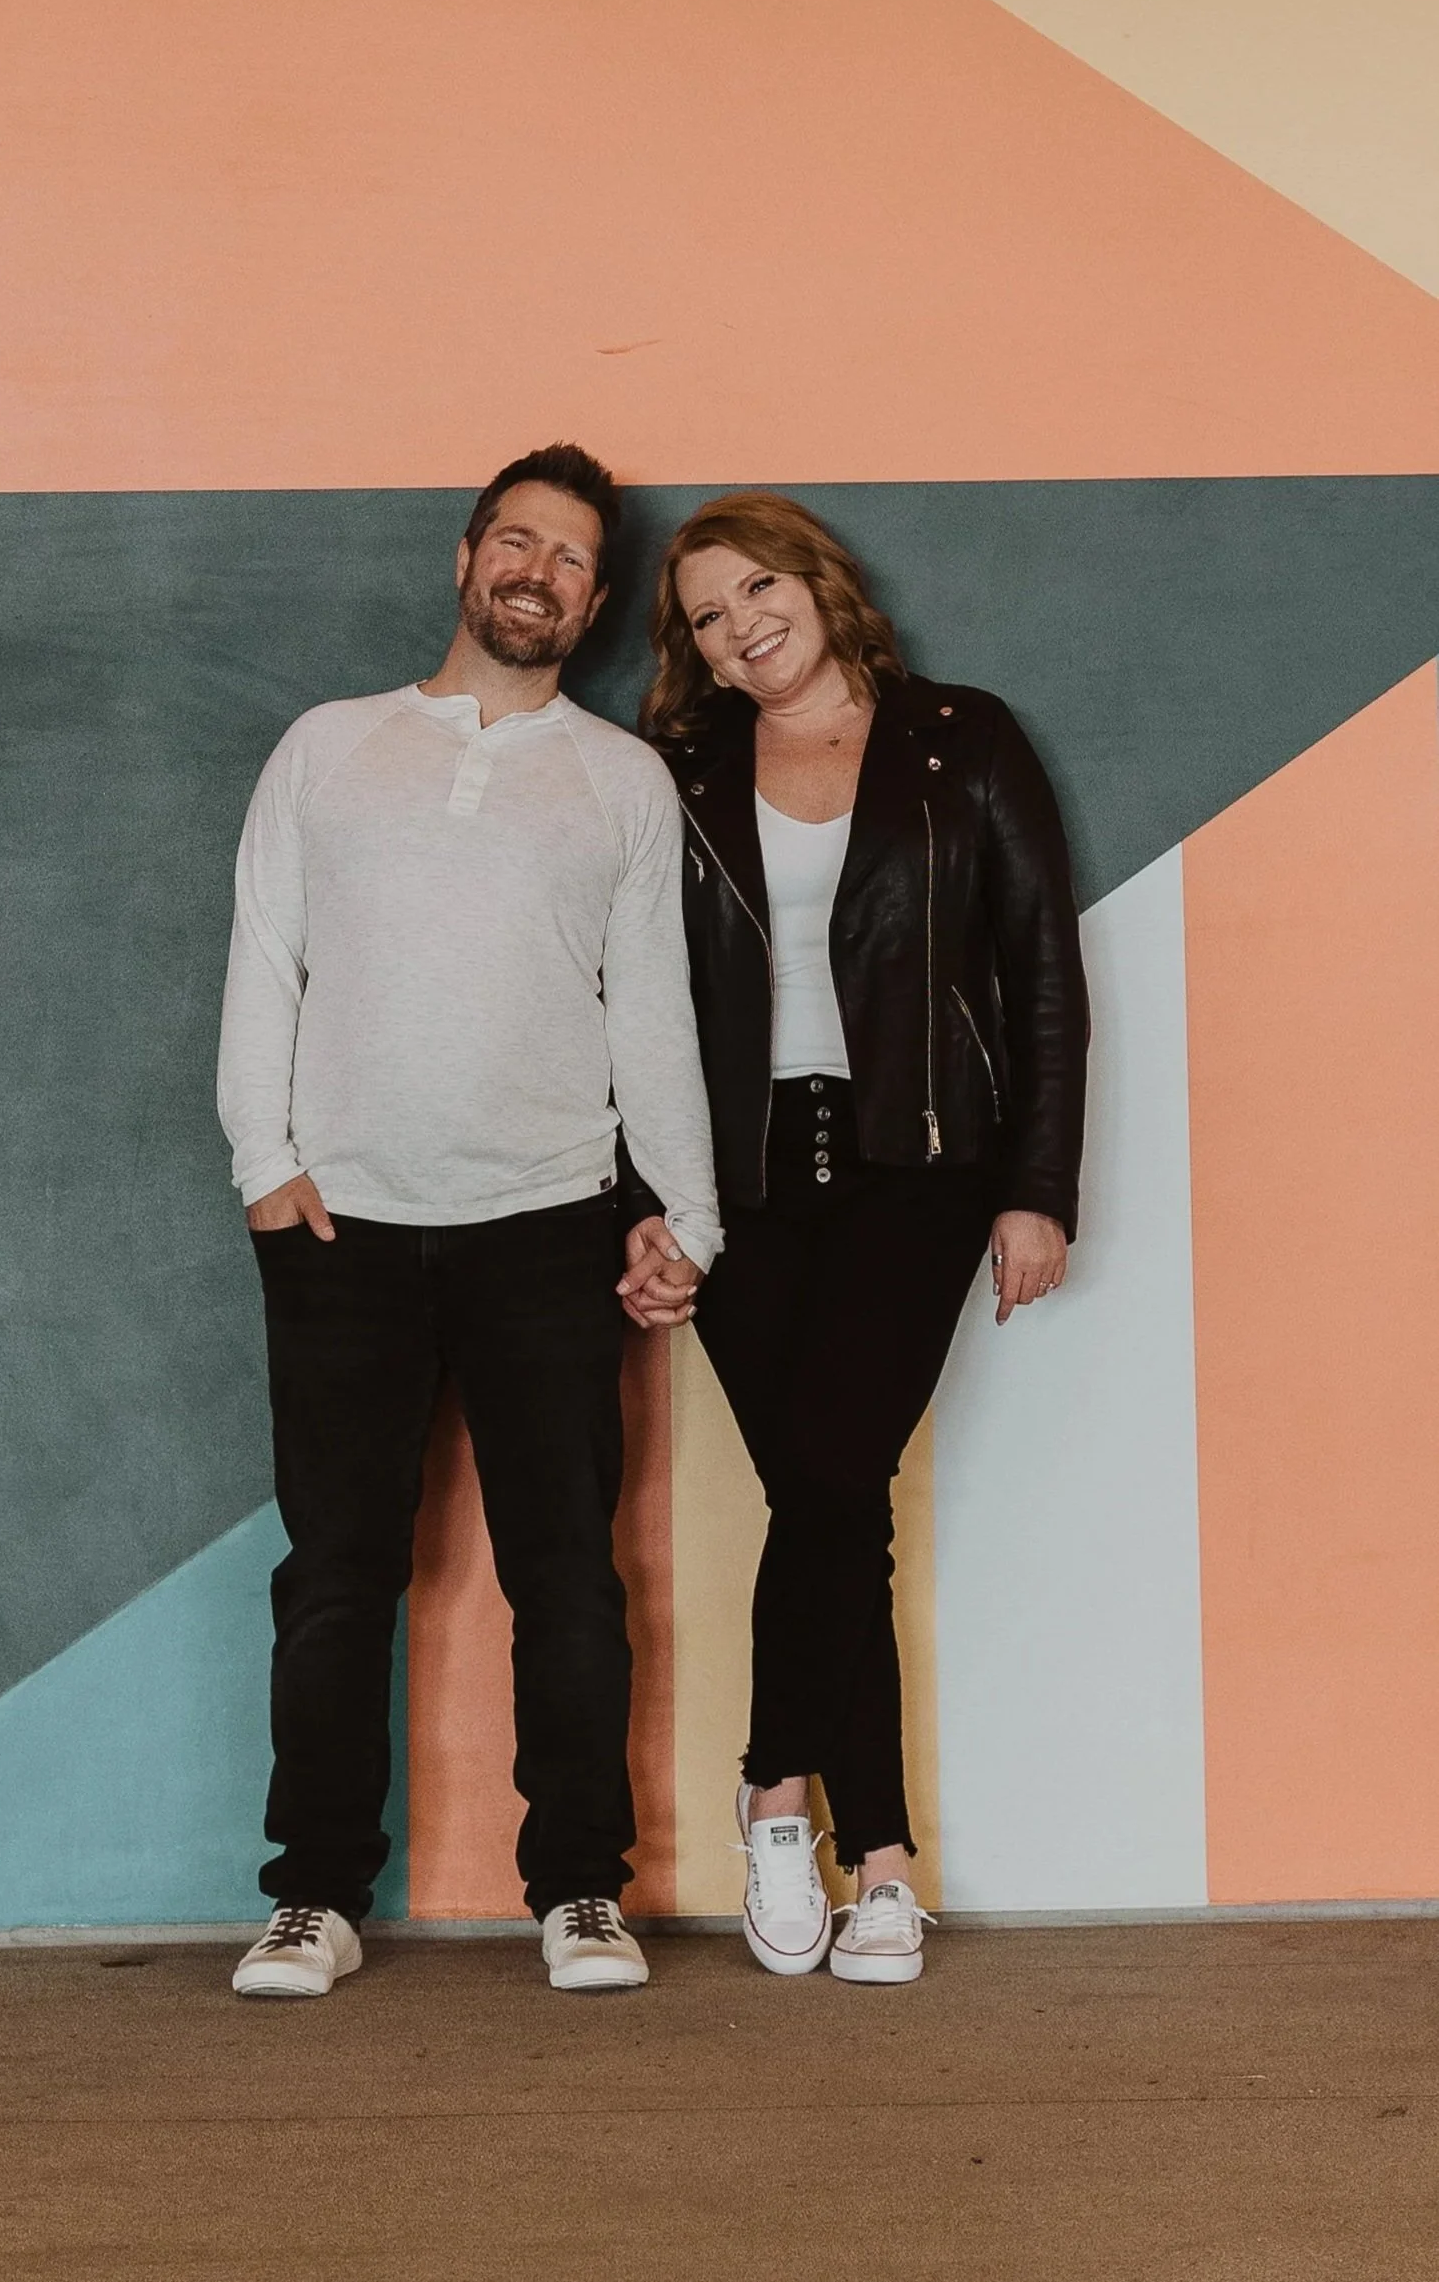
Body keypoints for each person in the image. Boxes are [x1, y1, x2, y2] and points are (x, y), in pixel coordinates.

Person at [217, 444, 720, 1998]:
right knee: (336, 1572)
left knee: (567, 1572)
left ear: (596, 599)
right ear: (463, 558)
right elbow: (264, 956)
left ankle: (577, 1892)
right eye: (516, 542)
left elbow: (651, 1012)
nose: (538, 573)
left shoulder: (620, 781)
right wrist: (262, 1160)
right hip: (338, 1228)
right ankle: (312, 1895)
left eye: (570, 560)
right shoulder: (326, 748)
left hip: (547, 1227)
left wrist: (687, 1211)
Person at [624, 491, 1088, 1985]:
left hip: (918, 1165)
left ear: (817, 582)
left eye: (759, 583)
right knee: (833, 1506)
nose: (743, 620)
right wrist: (646, 1205)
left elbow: (1040, 977)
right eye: (707, 612)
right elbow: (625, 1005)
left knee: (828, 1482)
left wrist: (1037, 1187)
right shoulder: (677, 773)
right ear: (692, 648)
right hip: (737, 1183)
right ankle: (878, 1862)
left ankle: (775, 1798)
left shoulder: (961, 739)